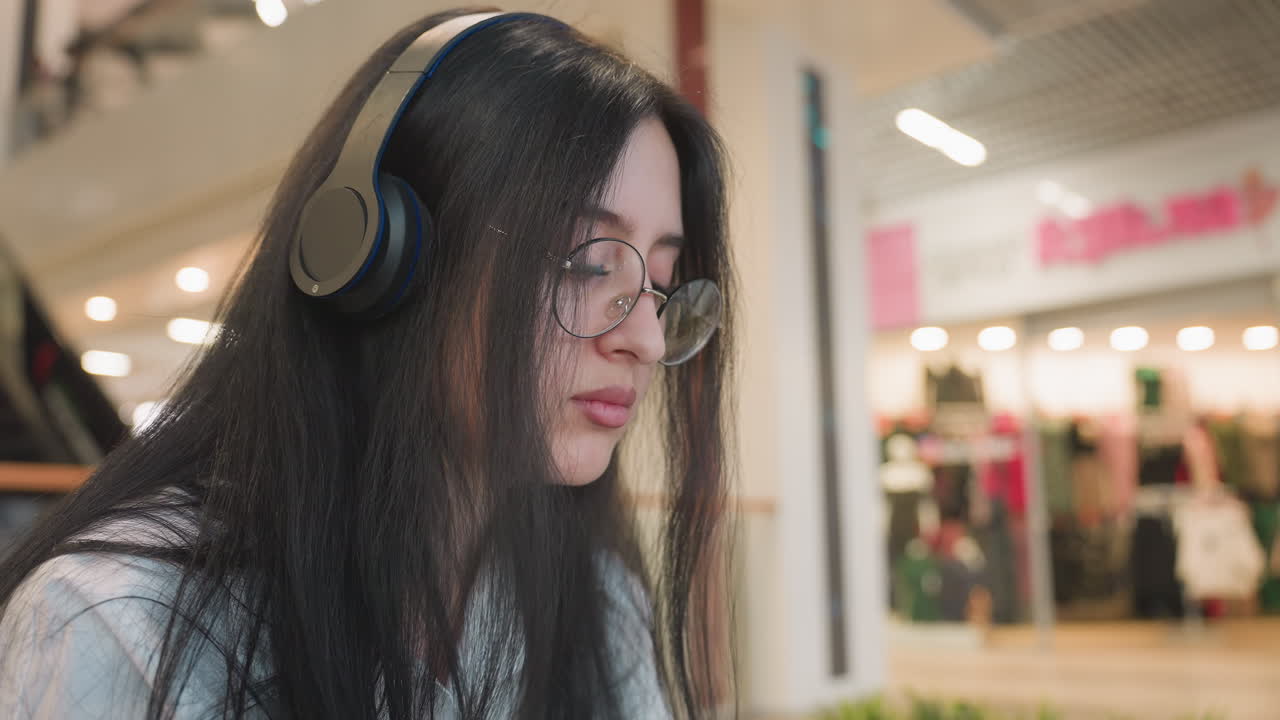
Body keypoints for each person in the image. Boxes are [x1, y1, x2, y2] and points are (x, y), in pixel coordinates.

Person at [0, 8, 735, 719]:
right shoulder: (122, 620)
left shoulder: (596, 601)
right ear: (380, 257)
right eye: (586, 262)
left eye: (661, 283)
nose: (647, 340)